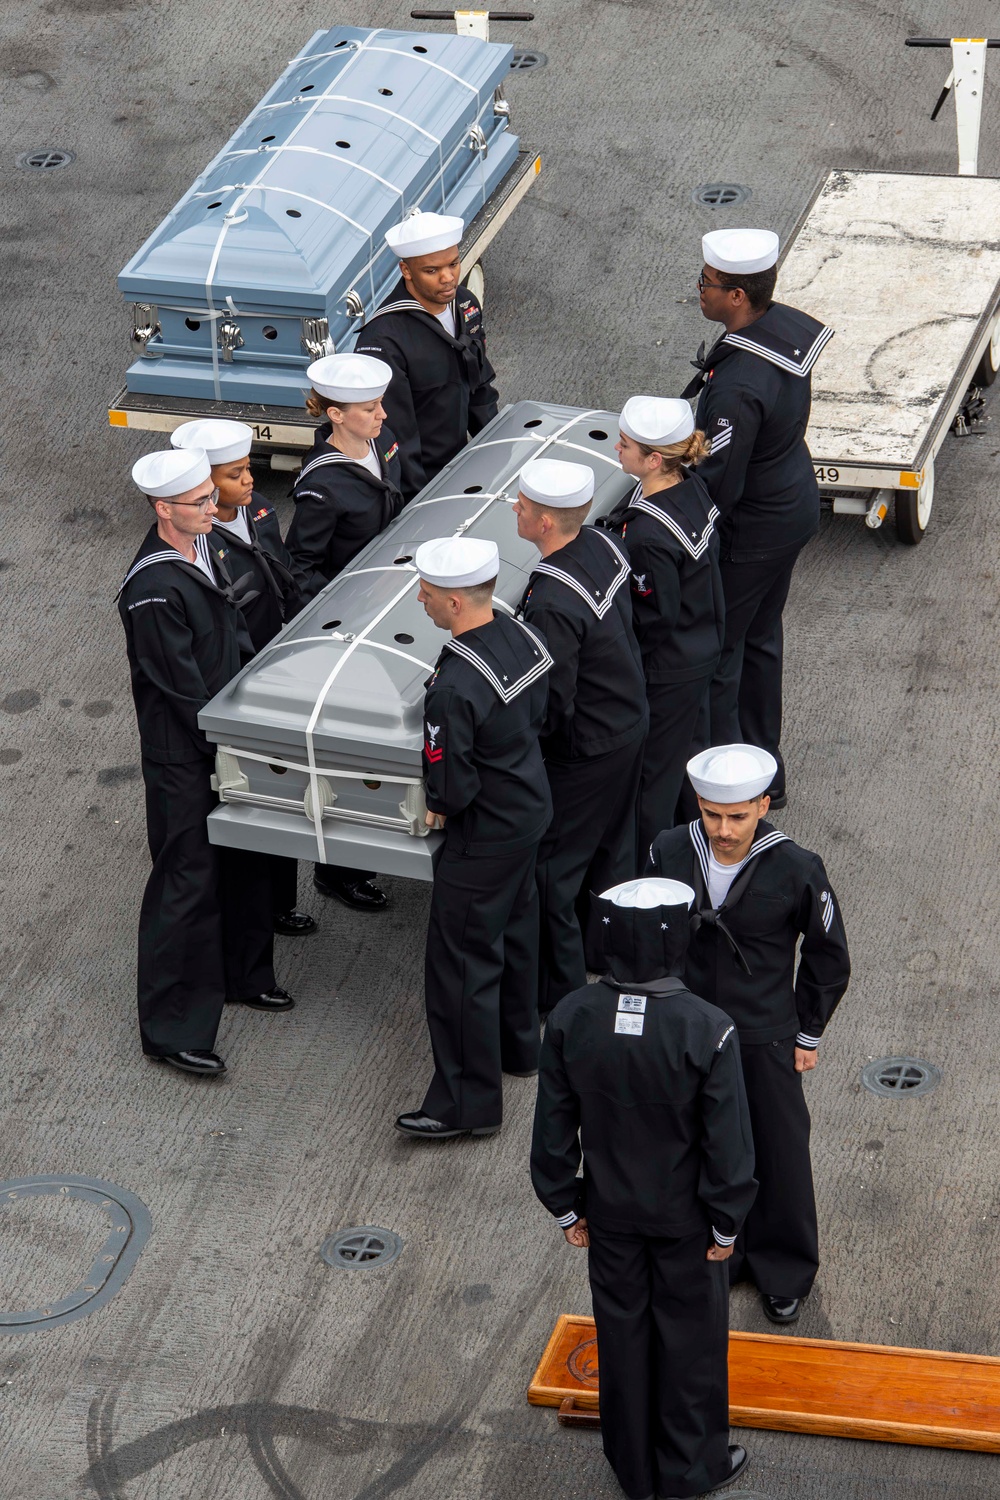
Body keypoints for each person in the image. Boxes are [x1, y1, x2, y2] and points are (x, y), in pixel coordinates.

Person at [531, 876, 756, 1500]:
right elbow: (728, 1143)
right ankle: (691, 1469)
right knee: (691, 1342)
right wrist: (726, 1220)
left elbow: (553, 1127)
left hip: (608, 1216)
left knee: (622, 1335)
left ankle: (632, 1467)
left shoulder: (573, 1018)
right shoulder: (707, 1028)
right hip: (686, 1223)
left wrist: (565, 1204)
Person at [646, 744, 850, 1323]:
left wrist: (808, 1033)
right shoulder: (668, 851)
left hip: (764, 1033)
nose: (723, 830)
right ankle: (716, 1254)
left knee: (779, 1150)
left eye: (737, 816)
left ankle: (784, 1267)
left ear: (763, 804)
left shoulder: (797, 866)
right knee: (693, 1143)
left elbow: (829, 954)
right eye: (711, 815)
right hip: (687, 1029)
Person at [118, 450, 294, 1078]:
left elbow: (234, 629)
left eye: (207, 498)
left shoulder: (207, 546)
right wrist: (229, 744)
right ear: (162, 509)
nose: (212, 507)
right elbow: (181, 689)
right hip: (184, 754)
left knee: (244, 857)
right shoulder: (153, 589)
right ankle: (171, 1028)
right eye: (197, 502)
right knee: (185, 885)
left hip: (224, 731)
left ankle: (245, 976)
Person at [395, 537, 553, 1141]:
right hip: (528, 812)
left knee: (461, 970)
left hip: (483, 837)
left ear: (456, 601)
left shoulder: (455, 687)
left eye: (429, 594)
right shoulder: (522, 635)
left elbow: (451, 786)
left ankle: (466, 1104)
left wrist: (436, 801)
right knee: (516, 935)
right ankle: (519, 1048)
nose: (421, 600)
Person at [685, 228, 834, 807]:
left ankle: (732, 784)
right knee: (762, 637)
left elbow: (720, 480)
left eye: (708, 283)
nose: (700, 290)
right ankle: (766, 767)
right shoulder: (782, 332)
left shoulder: (739, 386)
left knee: (723, 647)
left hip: (754, 529)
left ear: (738, 297)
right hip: (791, 504)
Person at [171, 417, 316, 939]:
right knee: (259, 799)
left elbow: (283, 573)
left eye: (247, 468)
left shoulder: (255, 511)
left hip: (279, 664)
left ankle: (280, 901)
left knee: (286, 789)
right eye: (234, 474)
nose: (250, 480)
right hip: (241, 676)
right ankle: (259, 908)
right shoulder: (204, 544)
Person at [513, 458, 648, 1014]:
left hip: (588, 746)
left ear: (545, 522)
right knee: (612, 851)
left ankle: (563, 995)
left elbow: (555, 696)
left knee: (553, 871)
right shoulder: (602, 545)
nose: (515, 510)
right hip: (629, 720)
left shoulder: (549, 597)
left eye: (522, 506)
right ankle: (614, 953)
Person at [286, 352, 405, 913]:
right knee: (355, 746)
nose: (382, 415)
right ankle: (339, 870)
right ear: (335, 415)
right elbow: (302, 567)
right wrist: (331, 629)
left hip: (395, 603)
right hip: (352, 626)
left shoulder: (378, 442)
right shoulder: (320, 486)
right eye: (368, 408)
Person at [608, 396, 724, 848]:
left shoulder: (647, 534)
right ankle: (695, 838)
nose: (618, 450)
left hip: (670, 668)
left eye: (625, 445)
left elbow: (655, 618)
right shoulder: (688, 484)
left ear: (653, 459)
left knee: (655, 772)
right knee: (691, 757)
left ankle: (655, 861)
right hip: (701, 647)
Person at [353, 210, 499, 501]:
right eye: (431, 270)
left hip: (463, 462)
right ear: (406, 271)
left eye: (453, 264)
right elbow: (396, 435)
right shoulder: (384, 339)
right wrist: (422, 501)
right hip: (423, 480)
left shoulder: (465, 305)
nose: (448, 278)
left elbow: (480, 387)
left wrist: (496, 451)